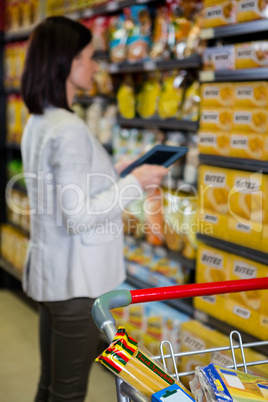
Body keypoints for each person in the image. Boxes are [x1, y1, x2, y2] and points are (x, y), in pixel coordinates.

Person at [20, 16, 168, 402]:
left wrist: (115, 174)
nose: (94, 66)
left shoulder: (40, 120)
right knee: (68, 394)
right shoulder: (68, 128)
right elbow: (78, 217)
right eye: (87, 57)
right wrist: (135, 184)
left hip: (53, 278)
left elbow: (61, 191)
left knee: (50, 386)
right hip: (78, 286)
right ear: (65, 62)